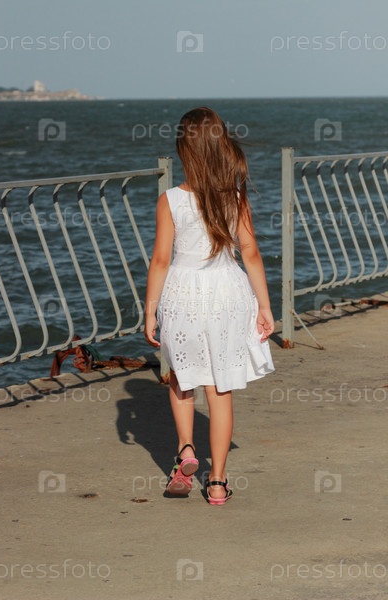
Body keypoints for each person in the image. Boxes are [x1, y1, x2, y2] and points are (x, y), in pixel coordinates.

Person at [145, 107, 274, 505]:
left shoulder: (170, 200)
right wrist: (265, 307)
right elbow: (251, 254)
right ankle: (217, 482)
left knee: (181, 378)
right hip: (227, 294)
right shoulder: (234, 197)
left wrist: (150, 310)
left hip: (182, 293)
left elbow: (160, 261)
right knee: (220, 390)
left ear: (184, 151)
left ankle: (186, 450)